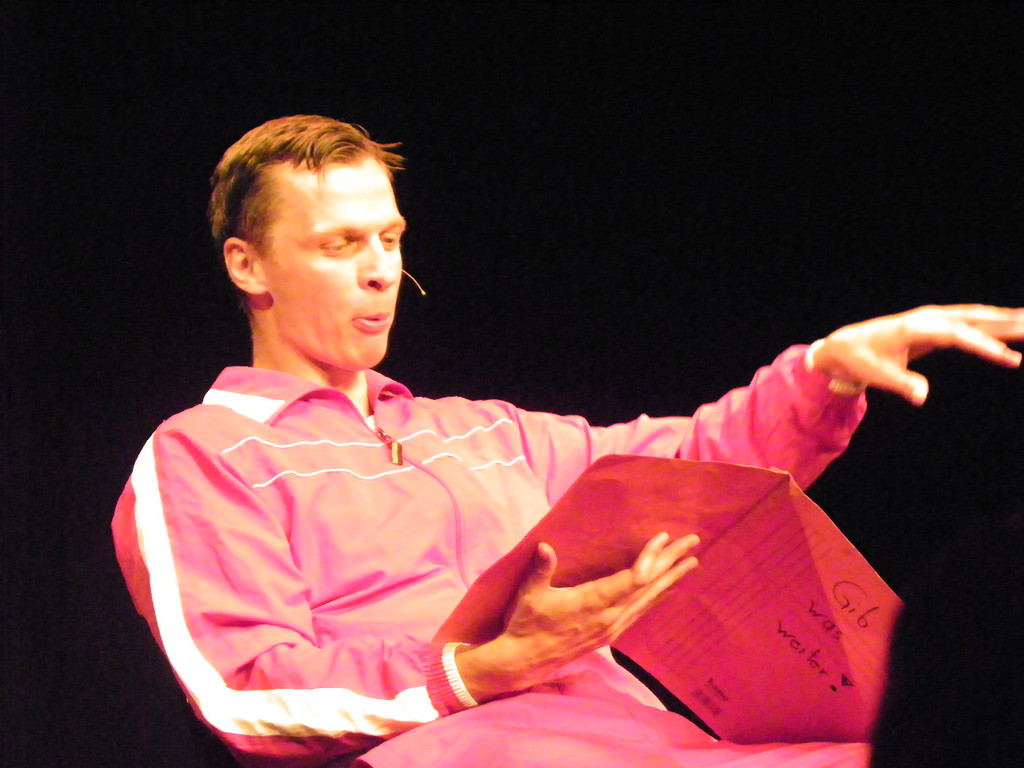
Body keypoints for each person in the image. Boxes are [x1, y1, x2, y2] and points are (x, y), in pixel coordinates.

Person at [112, 115, 1024, 768]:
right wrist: (476, 671)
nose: (382, 269)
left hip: (644, 742)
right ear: (248, 265)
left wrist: (826, 371)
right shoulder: (205, 452)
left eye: (390, 237)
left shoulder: (486, 432)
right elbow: (247, 691)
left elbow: (692, 468)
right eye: (341, 244)